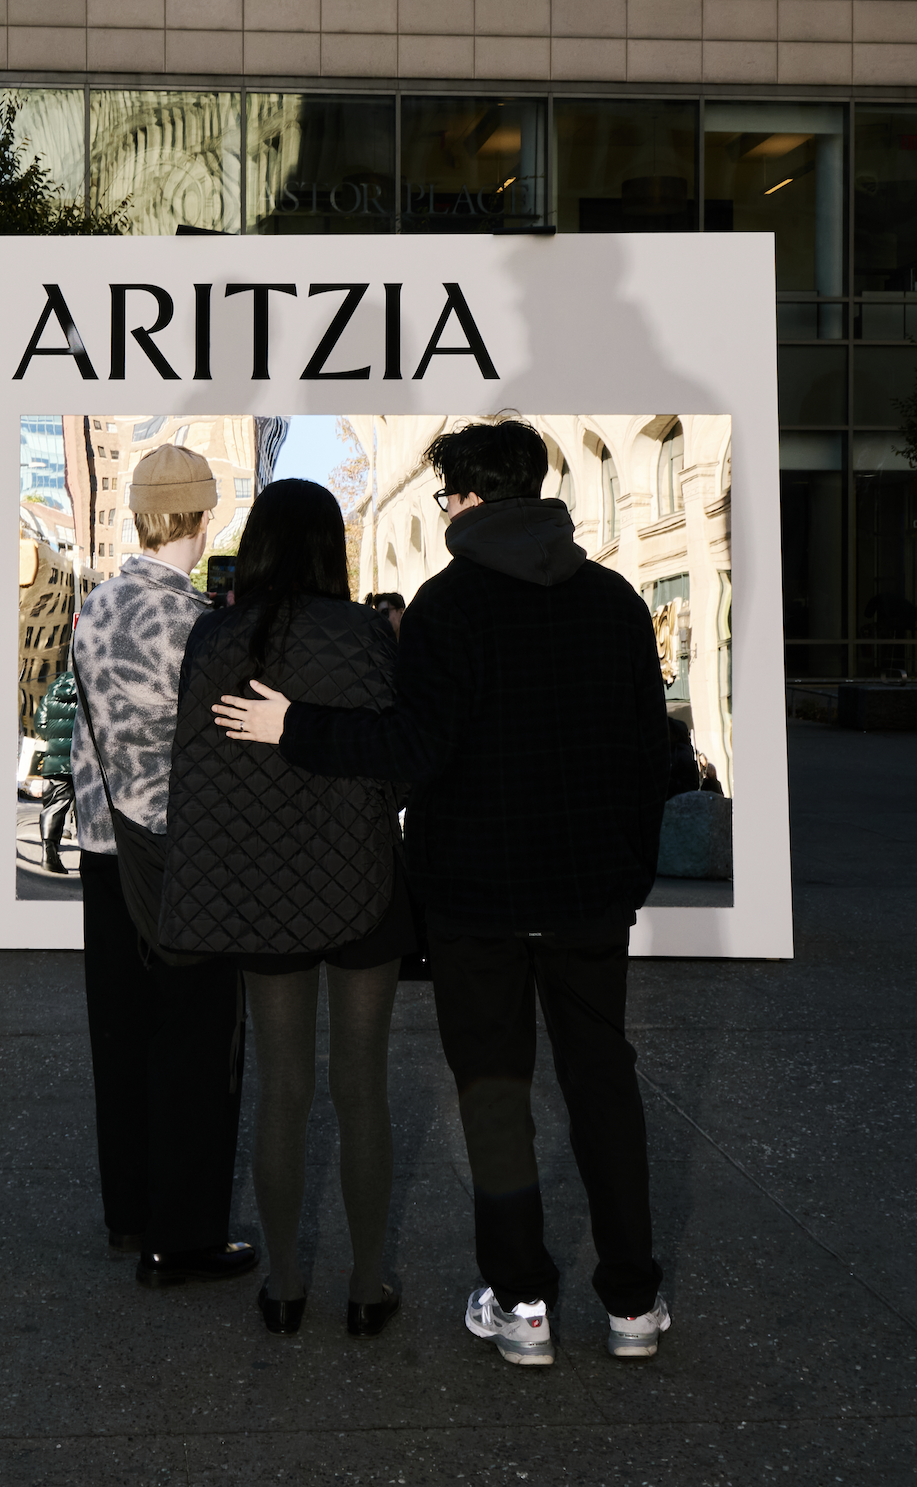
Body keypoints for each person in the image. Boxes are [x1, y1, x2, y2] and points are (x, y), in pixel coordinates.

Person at [213, 419, 674, 1366]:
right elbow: (652, 752)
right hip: (590, 891)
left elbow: (412, 750)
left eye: (445, 497)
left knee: (496, 1095)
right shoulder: (616, 600)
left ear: (464, 498)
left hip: (476, 897)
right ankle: (633, 1304)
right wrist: (633, 866)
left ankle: (523, 1306)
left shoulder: (448, 605)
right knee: (604, 1085)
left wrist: (297, 725)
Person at [164, 480, 414, 1340]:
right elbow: (394, 757)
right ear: (329, 547)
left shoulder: (213, 637)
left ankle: (282, 1285)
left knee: (283, 1090)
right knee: (362, 1088)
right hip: (362, 885)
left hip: (261, 895)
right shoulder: (363, 635)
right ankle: (369, 1287)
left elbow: (198, 773)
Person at [70, 444, 257, 1290]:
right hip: (188, 865)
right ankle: (182, 1239)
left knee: (121, 1041)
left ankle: (129, 1214)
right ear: (205, 517)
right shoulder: (198, 625)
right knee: (195, 1048)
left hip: (106, 853)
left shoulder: (96, 607)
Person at [37, 666, 77, 872]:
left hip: (54, 760)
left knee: (54, 806)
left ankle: (49, 853)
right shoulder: (88, 688)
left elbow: (41, 725)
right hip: (83, 758)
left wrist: (56, 740)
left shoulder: (52, 690)